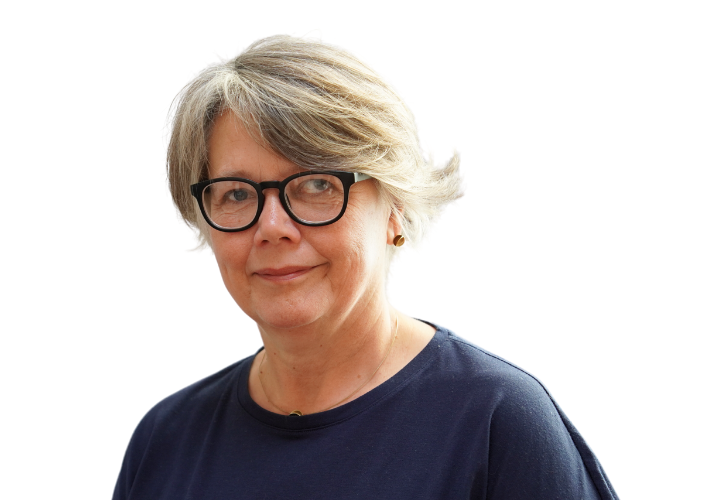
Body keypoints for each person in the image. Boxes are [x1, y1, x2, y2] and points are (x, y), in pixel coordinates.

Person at [112, 35, 619, 500]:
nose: (272, 226)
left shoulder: (496, 424)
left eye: (316, 186)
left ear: (394, 207)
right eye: (237, 194)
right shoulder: (165, 443)